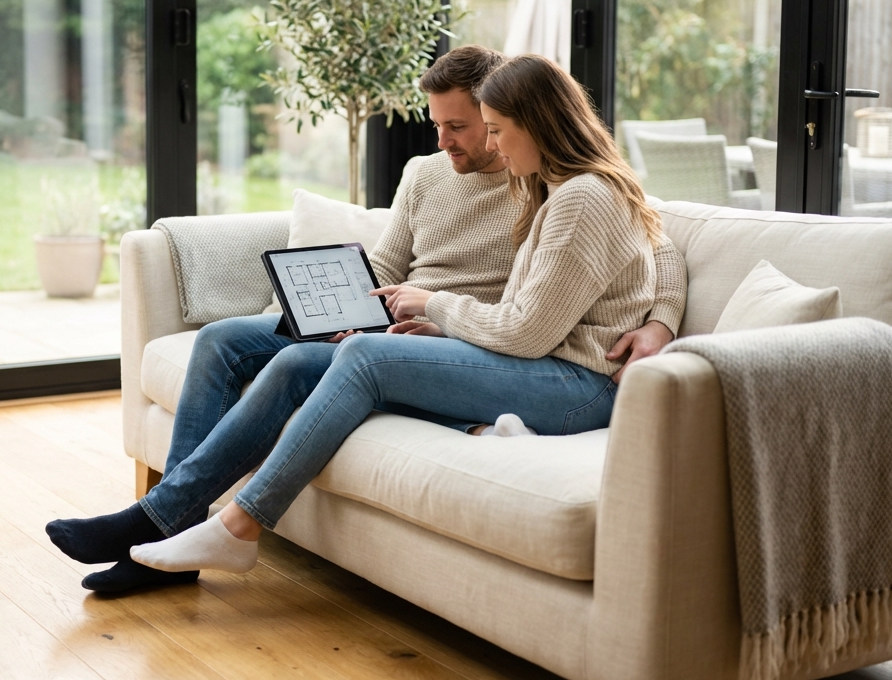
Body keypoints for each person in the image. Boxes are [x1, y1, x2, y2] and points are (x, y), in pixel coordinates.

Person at [47, 50, 686, 592]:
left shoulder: (567, 190)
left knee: (346, 359)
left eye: (483, 127)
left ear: (532, 124)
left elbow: (637, 259)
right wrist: (324, 310)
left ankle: (205, 525)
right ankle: (174, 522)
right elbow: (398, 269)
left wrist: (659, 323)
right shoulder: (540, 182)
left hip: (546, 367)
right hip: (457, 333)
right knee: (223, 340)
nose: (469, 141)